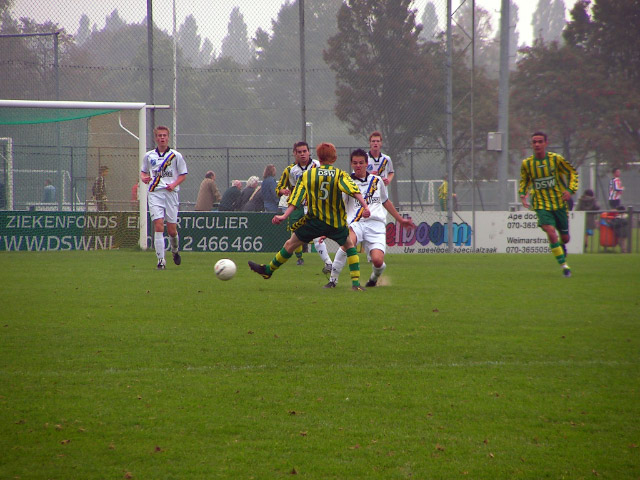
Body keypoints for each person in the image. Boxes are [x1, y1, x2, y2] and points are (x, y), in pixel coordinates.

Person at [249, 142, 371, 290]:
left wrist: (284, 216)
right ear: (334, 157)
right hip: (335, 223)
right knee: (350, 247)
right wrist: (365, 206)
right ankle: (356, 284)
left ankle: (268, 271)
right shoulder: (339, 174)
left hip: (314, 221)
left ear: (318, 157)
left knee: (290, 244)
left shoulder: (309, 174)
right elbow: (353, 189)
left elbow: (297, 197)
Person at [325, 149, 416, 288]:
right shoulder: (346, 182)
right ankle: (332, 280)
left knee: (378, 261)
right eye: (355, 163)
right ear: (351, 164)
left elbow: (385, 202)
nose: (358, 165)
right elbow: (340, 206)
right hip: (356, 223)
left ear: (367, 164)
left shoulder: (376, 181)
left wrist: (400, 220)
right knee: (347, 244)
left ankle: (374, 278)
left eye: (361, 162)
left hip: (376, 225)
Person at [519, 131, 578, 277]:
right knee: (551, 232)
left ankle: (562, 246)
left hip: (559, 204)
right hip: (540, 204)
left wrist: (570, 190)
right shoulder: (527, 164)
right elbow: (525, 180)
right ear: (532, 144)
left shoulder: (556, 160)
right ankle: (564, 266)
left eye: (540, 141)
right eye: (534, 142)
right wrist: (523, 194)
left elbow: (572, 173)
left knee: (565, 238)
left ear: (546, 143)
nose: (537, 144)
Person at [276, 141, 333, 272]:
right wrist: (283, 191)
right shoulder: (290, 171)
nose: (302, 154)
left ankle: (328, 263)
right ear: (294, 153)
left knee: (317, 235)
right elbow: (280, 188)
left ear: (309, 152)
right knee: (295, 234)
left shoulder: (318, 165)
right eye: (299, 152)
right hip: (297, 207)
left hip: (315, 206)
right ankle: (299, 258)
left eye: (304, 151)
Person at [140, 125, 188, 270]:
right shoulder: (149, 156)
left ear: (168, 137)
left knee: (172, 230)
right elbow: (143, 172)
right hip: (155, 193)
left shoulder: (175, 156)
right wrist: (144, 178)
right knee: (159, 225)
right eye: (159, 136)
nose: (162, 138)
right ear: (156, 138)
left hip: (171, 194)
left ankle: (174, 251)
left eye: (164, 135)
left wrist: (173, 184)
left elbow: (183, 174)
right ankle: (161, 260)